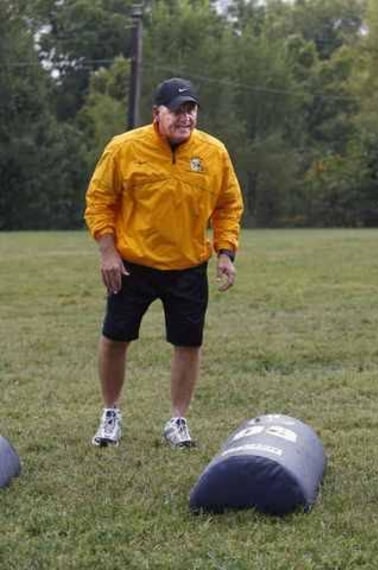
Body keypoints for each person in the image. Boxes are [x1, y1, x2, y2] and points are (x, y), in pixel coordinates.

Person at [84, 77, 244, 448]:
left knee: (188, 343)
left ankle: (178, 419)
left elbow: (228, 206)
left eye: (191, 110)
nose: (186, 117)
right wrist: (107, 251)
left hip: (187, 266)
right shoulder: (124, 149)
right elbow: (99, 201)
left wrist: (225, 252)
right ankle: (110, 413)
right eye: (177, 110)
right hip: (132, 265)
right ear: (157, 113)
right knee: (115, 337)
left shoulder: (214, 152)